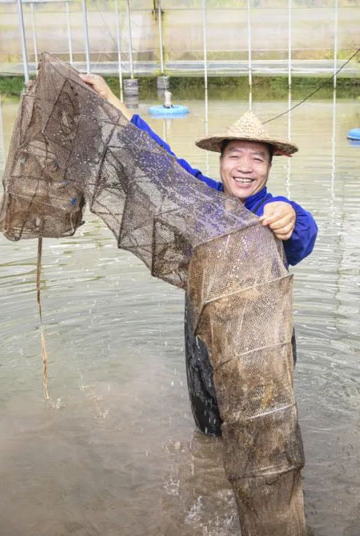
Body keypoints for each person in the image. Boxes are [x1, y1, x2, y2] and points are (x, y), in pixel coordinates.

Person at [80, 74, 317, 434]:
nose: (244, 167)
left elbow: (302, 234)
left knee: (265, 427)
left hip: (261, 341)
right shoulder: (199, 198)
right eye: (235, 155)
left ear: (269, 168)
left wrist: (289, 217)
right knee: (209, 428)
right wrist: (109, 97)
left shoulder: (273, 209)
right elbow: (155, 159)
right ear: (221, 162)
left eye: (257, 159)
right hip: (204, 334)